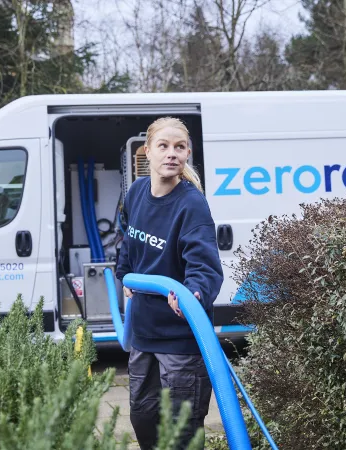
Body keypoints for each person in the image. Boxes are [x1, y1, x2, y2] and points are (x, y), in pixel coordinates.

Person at [115, 117, 224, 449]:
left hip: (180, 341)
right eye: (163, 146)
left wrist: (193, 292)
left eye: (179, 147)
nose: (171, 153)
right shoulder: (135, 193)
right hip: (143, 335)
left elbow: (205, 266)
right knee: (144, 419)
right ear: (147, 151)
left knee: (181, 433)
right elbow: (127, 241)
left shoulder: (191, 204)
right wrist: (125, 275)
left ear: (188, 153)